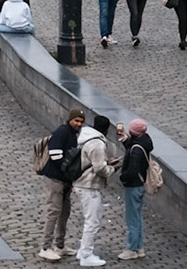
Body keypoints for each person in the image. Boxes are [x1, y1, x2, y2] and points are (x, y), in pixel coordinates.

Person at [37, 106, 86, 262]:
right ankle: (45, 247)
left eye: (81, 122)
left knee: (65, 212)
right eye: (76, 120)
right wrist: (67, 171)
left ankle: (60, 245)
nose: (79, 124)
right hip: (55, 179)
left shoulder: (72, 133)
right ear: (70, 119)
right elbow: (55, 154)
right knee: (54, 212)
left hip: (65, 181)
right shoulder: (62, 132)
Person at [72, 112, 115, 268]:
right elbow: (99, 168)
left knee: (89, 219)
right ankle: (86, 255)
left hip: (81, 183)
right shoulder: (97, 143)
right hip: (88, 185)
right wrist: (111, 169)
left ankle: (83, 250)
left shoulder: (85, 136)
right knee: (92, 221)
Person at [116, 118, 155, 260]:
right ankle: (139, 247)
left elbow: (132, 169)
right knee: (137, 217)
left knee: (132, 218)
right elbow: (133, 147)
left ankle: (131, 248)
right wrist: (126, 140)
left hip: (134, 185)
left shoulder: (137, 150)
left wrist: (122, 177)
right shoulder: (144, 142)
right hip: (140, 184)